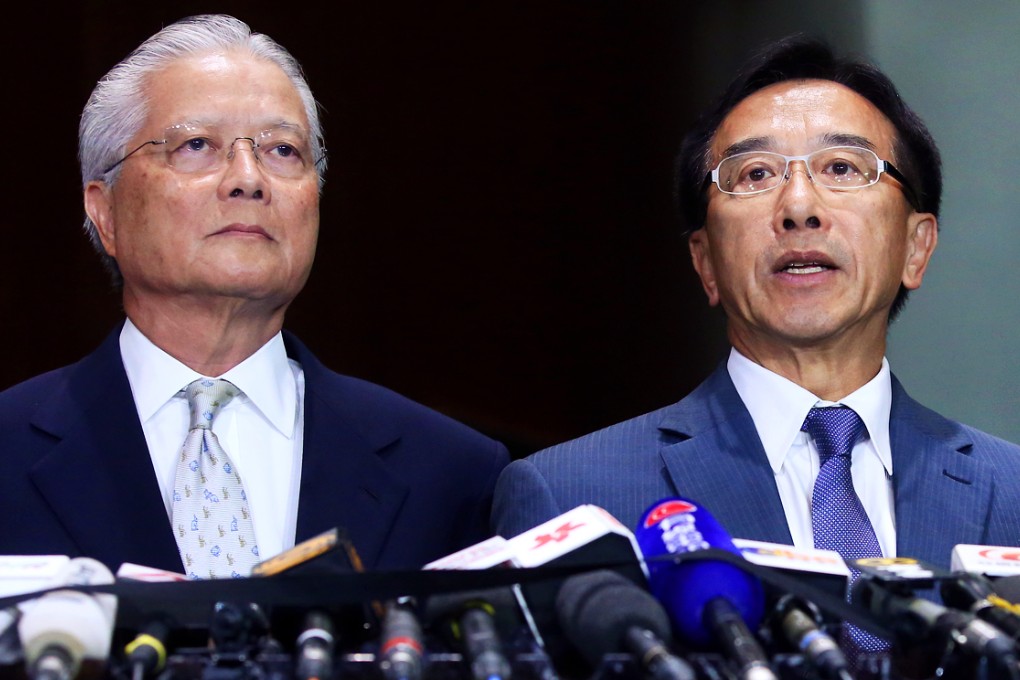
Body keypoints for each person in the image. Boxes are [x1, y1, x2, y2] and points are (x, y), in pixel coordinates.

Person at [0, 14, 508, 579]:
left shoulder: (451, 474)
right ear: (105, 211)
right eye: (196, 144)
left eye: (282, 150)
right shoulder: (8, 450)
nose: (249, 178)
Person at [491, 35, 1020, 571]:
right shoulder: (573, 497)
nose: (798, 206)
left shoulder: (1011, 490)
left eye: (842, 167)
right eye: (756, 174)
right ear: (705, 262)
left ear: (915, 247)